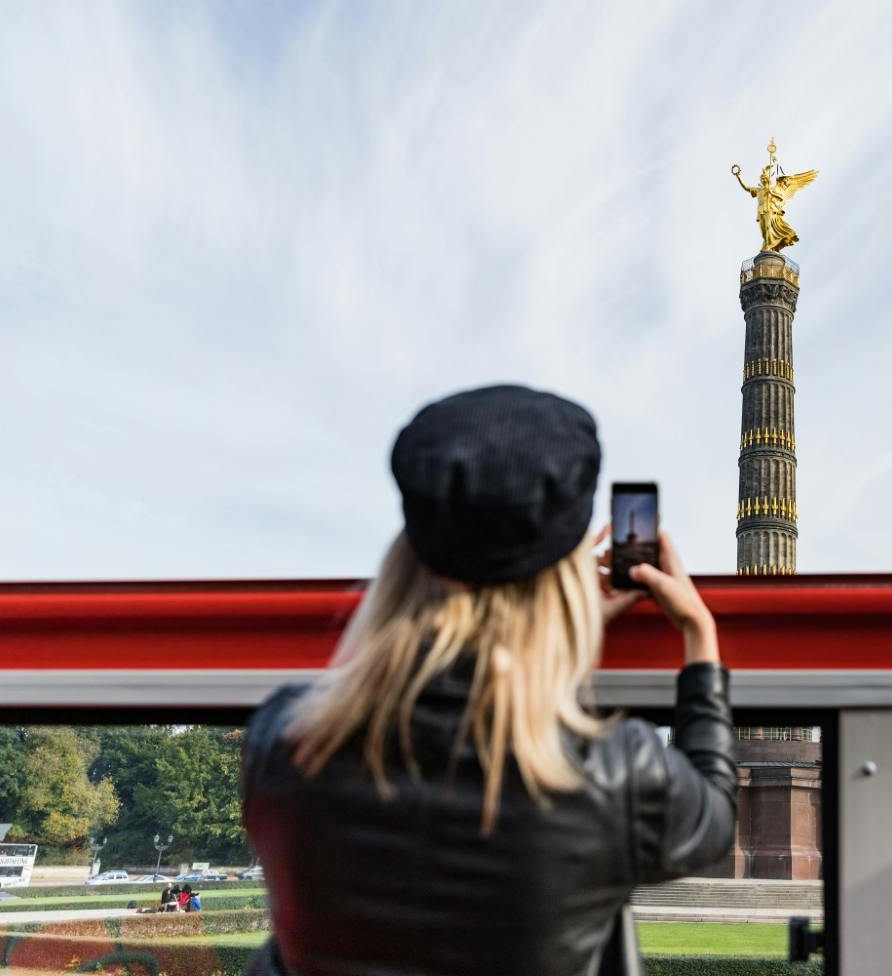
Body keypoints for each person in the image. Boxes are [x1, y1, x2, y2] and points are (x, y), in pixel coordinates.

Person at [240, 385, 735, 976]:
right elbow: (714, 817)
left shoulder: (282, 740)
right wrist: (699, 636)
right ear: (562, 579)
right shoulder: (617, 773)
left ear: (407, 559)